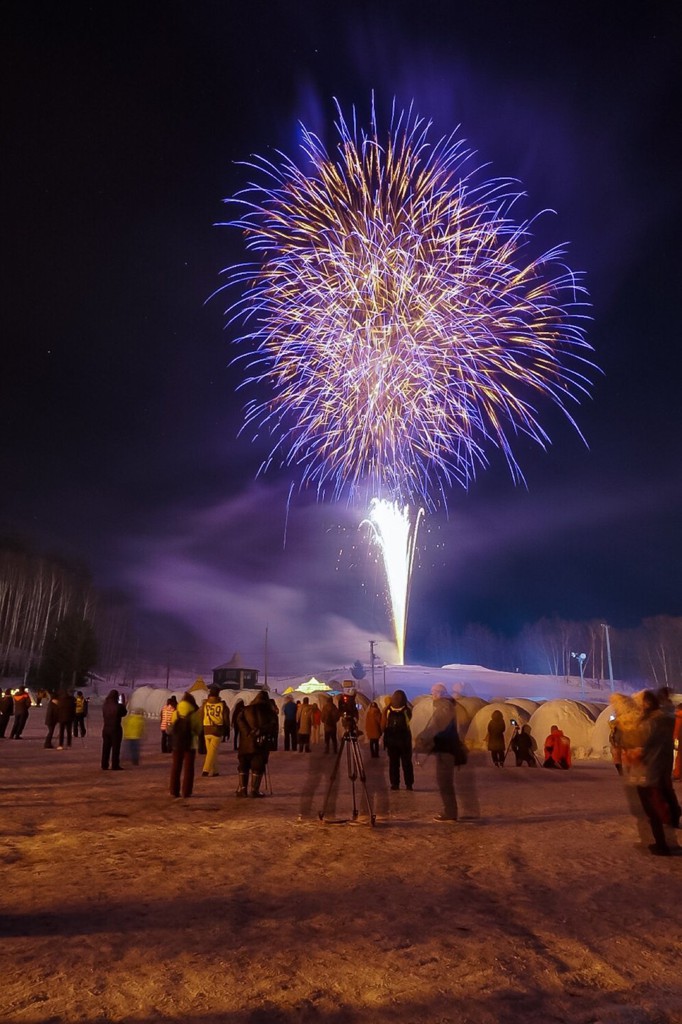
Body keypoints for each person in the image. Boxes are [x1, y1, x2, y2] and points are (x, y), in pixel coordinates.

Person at [416, 683, 467, 821]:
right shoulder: (445, 706)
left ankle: (450, 813)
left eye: (434, 692)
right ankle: (450, 811)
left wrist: (423, 737)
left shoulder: (445, 707)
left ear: (440, 694)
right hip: (444, 748)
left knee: (445, 782)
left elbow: (437, 726)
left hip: (447, 749)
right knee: (444, 782)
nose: (432, 695)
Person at [637, 690, 679, 855]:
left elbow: (642, 746)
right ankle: (673, 829)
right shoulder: (668, 719)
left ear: (648, 704)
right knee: (667, 799)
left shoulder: (649, 723)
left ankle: (662, 844)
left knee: (653, 808)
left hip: (651, 771)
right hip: (664, 767)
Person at [236, 690, 278, 797]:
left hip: (246, 743)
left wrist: (247, 732)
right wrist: (261, 731)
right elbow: (273, 726)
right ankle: (254, 790)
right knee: (258, 766)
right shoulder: (270, 712)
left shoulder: (246, 709)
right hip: (261, 744)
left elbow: (239, 720)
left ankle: (243, 789)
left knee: (243, 765)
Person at [169, 692, 202, 798]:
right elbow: (198, 729)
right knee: (189, 769)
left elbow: (172, 727)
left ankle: (174, 790)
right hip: (190, 744)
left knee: (176, 767)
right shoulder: (194, 714)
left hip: (177, 744)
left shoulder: (176, 712)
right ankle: (186, 791)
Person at [382, 689, 414, 791]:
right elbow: (410, 725)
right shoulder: (407, 711)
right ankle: (409, 784)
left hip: (392, 742)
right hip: (404, 742)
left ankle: (395, 784)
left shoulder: (387, 711)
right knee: (407, 764)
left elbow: (383, 726)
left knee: (393, 764)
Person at [201, 686, 230, 777]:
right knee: (212, 752)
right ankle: (206, 769)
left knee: (211, 751)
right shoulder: (222, 705)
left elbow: (201, 715)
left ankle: (215, 771)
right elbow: (225, 719)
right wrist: (227, 729)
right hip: (217, 729)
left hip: (206, 729)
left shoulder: (205, 704)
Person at [101, 689, 127, 770]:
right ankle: (115, 765)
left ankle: (104, 764)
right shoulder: (118, 706)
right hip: (115, 729)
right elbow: (124, 713)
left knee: (105, 747)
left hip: (106, 729)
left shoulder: (105, 705)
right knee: (116, 748)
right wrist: (124, 704)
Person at [674, 703, 682, 781]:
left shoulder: (679, 716)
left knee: (679, 757)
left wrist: (674, 738)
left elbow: (677, 728)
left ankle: (677, 774)